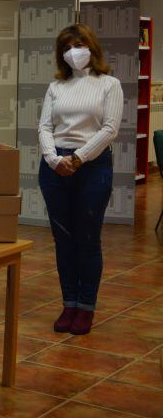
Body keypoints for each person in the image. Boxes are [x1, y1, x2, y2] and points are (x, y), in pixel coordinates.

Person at [38, 23, 122, 336]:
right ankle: (69, 303)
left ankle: (86, 307)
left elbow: (110, 129)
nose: (75, 51)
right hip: (54, 166)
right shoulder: (56, 86)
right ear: (62, 53)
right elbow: (45, 126)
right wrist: (52, 158)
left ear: (92, 46)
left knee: (87, 240)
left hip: (92, 166)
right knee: (63, 241)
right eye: (68, 46)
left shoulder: (109, 84)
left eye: (80, 44)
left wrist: (77, 158)